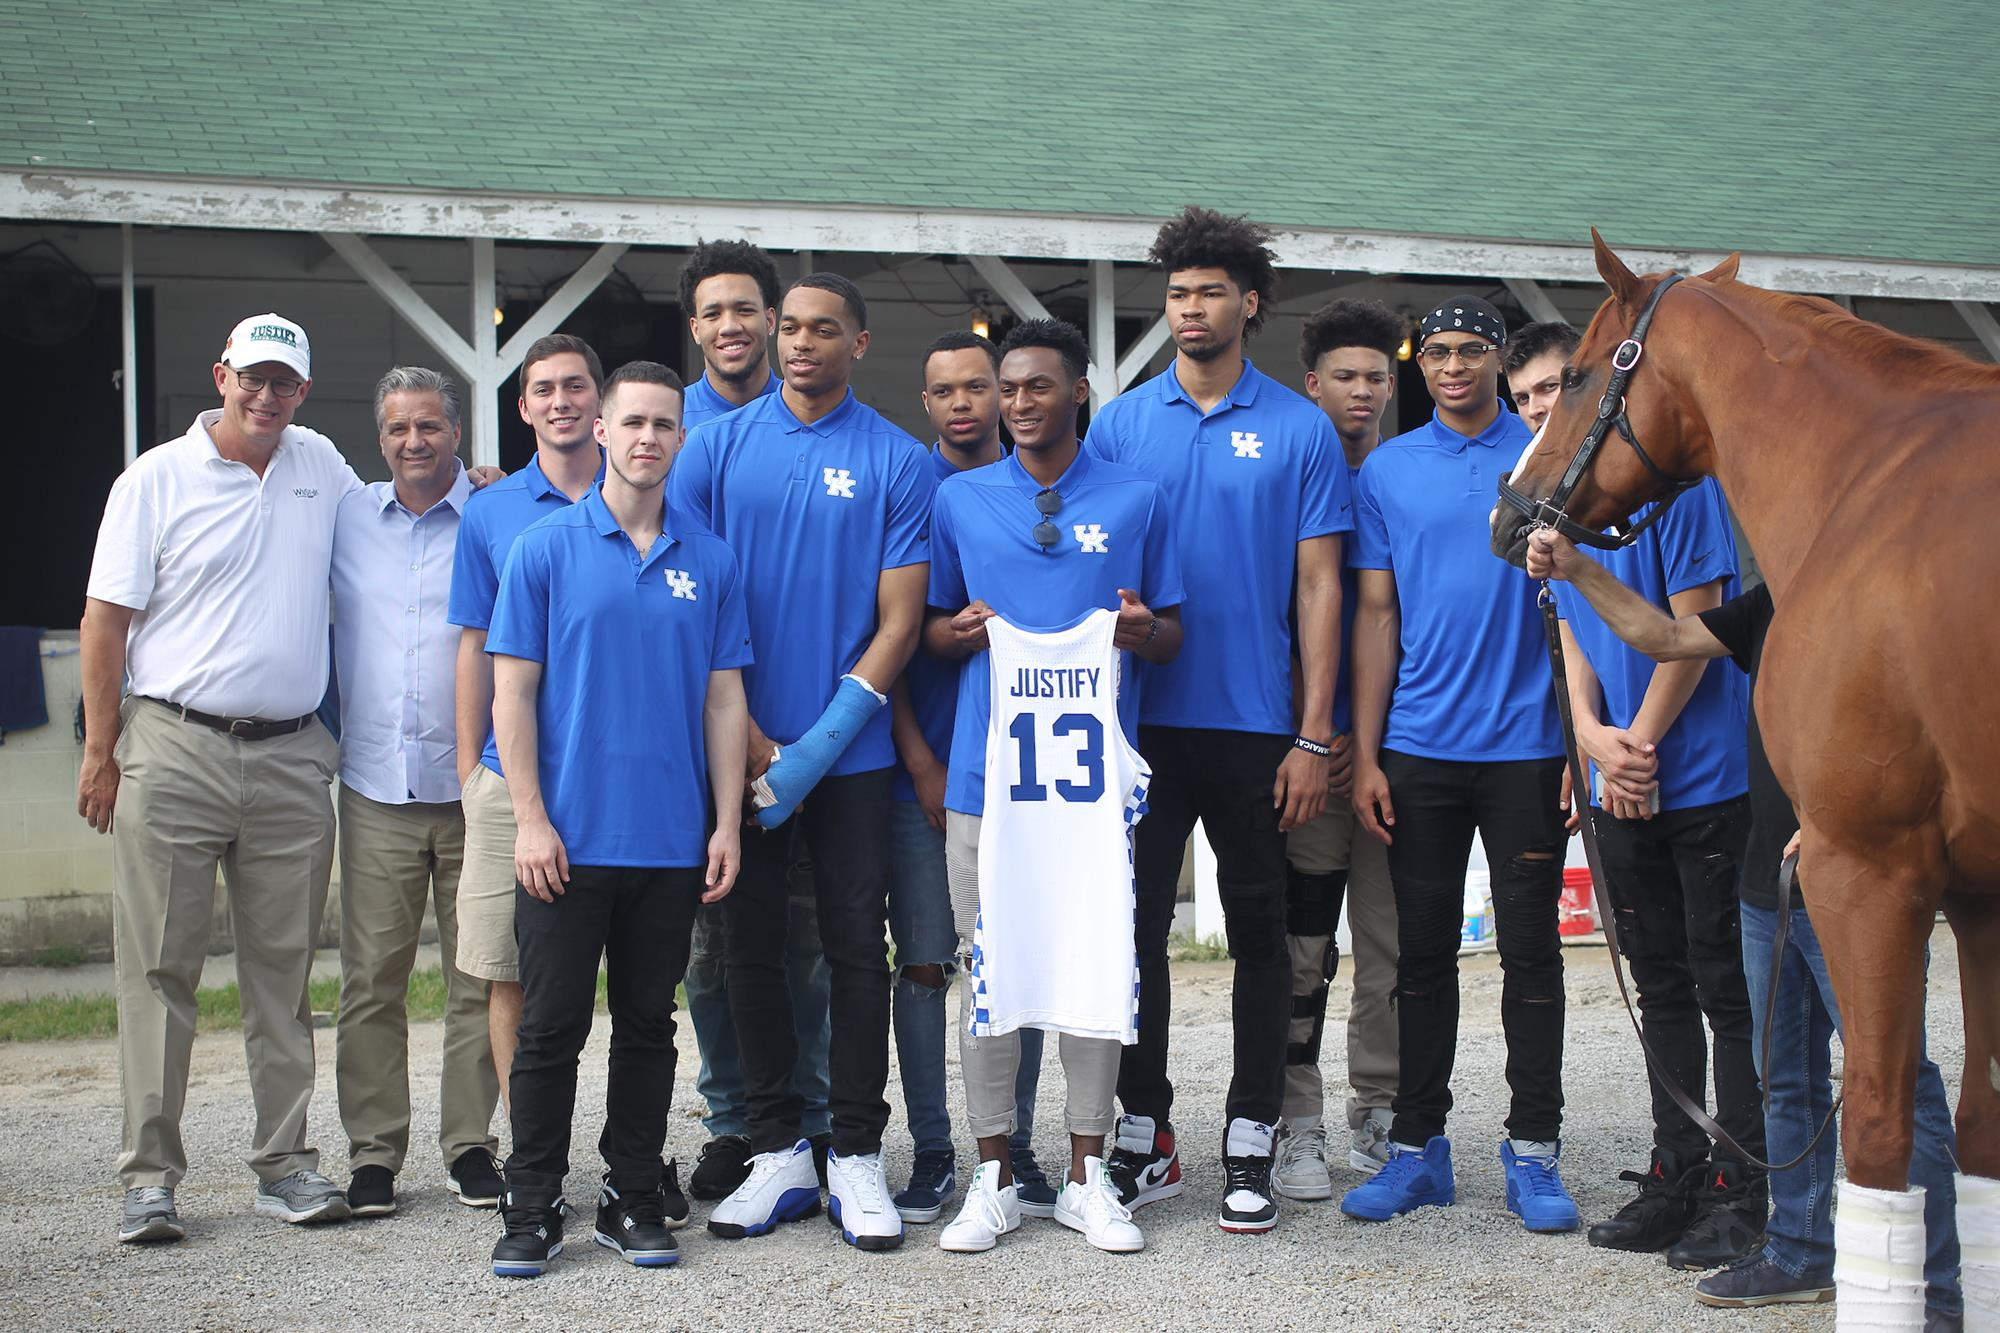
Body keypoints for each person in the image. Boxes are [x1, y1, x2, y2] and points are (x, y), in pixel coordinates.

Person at [1524, 529, 1964, 1324]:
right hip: (1769, 880)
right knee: (1784, 1076)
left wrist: (1837, 818)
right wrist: (1579, 567)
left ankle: (1937, 1287)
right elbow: (1662, 635)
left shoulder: (1882, 608)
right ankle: (1798, 1249)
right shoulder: (1768, 606)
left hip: (1853, 879)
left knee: (1893, 1072)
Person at [1084, 206, 1348, 1234]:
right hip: (1140, 728)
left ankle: (1252, 1132)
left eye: (1208, 292)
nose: (1189, 308)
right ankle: (1143, 1131)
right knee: (1133, 935)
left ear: (1248, 303)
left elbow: (1321, 590)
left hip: (1254, 728)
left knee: (1259, 940)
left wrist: (1314, 735)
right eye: (1177, 292)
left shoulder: (1297, 428)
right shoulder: (1118, 424)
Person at [671, 273, 932, 1251]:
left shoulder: (896, 461)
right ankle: (777, 1147)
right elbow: (690, 599)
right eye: (790, 328)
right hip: (734, 748)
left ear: (859, 343)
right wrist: (744, 743)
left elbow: (900, 622)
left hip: (849, 759)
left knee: (858, 952)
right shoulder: (715, 450)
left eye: (824, 330)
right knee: (747, 951)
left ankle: (855, 1151)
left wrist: (807, 752)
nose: (799, 344)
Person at [86, 313, 360, 1242]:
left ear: (304, 392)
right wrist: (99, 751)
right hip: (173, 746)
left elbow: (397, 516)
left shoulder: (321, 466)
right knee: (158, 968)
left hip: (290, 753)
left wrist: (482, 483)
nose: (267, 395)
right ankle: (150, 1177)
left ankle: (284, 1165)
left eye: (285, 381)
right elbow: (105, 622)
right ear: (221, 375)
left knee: (282, 974)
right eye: (253, 377)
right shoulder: (154, 479)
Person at [1505, 322, 1768, 1267]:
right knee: (1658, 986)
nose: (1541, 407)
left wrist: (1638, 745)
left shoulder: (1681, 494)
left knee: (1723, 987)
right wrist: (1590, 737)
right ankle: (1678, 1168)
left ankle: (1745, 1182)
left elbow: (1691, 630)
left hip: (1697, 775)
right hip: (1616, 773)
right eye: (1526, 397)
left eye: (1553, 389)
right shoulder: (1559, 510)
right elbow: (1570, 632)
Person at [485, 361, 751, 1278]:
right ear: (600, 429)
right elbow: (510, 695)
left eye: (663, 425)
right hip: (565, 839)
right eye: (631, 421)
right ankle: (532, 1198)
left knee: (648, 1024)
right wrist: (528, 819)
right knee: (552, 1026)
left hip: (670, 842)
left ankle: (633, 1192)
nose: (647, 437)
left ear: (682, 438)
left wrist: (724, 823)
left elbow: (725, 704)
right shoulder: (545, 550)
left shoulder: (710, 559)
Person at [927, 318, 1184, 1254]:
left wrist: (1140, 631)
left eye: (1040, 385)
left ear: (1081, 391)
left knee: (1093, 957)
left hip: (1088, 785)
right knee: (985, 963)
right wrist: (956, 634)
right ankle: (992, 1173)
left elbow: (1172, 630)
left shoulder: (1136, 499)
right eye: (1009, 387)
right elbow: (931, 629)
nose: (1020, 401)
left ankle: (1086, 1174)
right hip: (985, 778)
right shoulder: (959, 498)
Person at [1341, 296, 1579, 1233]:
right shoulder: (1390, 469)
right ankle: (1417, 1150)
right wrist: (1365, 753)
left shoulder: (1543, 455)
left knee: (1532, 956)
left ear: (1497, 359)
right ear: (1418, 360)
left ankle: (1535, 1151)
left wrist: (1578, 739)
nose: (1452, 366)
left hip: (1528, 746)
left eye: (1471, 350)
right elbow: (1375, 615)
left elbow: (1585, 607)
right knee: (1421, 959)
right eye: (1435, 351)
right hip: (1420, 748)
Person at [676, 238, 835, 1207]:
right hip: (706, 736)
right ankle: (732, 1114)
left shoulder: (824, 427)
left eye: (749, 309)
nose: (734, 326)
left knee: (806, 939)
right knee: (712, 949)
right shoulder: (669, 432)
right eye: (715, 311)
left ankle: (808, 1120)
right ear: (693, 327)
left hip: (812, 735)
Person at [887, 330, 1058, 1225]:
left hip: (1029, 773)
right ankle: (932, 1150)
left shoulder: (1042, 488)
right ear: (926, 402)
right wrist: (921, 757)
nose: (964, 403)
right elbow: (895, 641)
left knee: (1011, 963)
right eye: (944, 389)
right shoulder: (915, 488)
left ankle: (1014, 1143)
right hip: (931, 766)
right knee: (927, 964)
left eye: (978, 387)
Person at [329, 367, 499, 1219]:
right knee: (372, 980)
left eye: (429, 426)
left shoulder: (494, 513)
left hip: (474, 787)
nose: (413, 442)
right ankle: (373, 1154)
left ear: (457, 434)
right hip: (375, 788)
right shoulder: (346, 515)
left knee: (479, 976)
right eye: (397, 428)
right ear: (380, 434)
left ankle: (470, 1146)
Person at [446, 334, 603, 1207]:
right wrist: (474, 767)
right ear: (523, 407)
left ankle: (629, 1151)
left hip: (615, 774)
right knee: (508, 969)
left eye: (574, 386)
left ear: (599, 399)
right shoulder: (494, 511)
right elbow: (473, 643)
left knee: (630, 979)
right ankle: (536, 1161)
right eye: (542, 389)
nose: (559, 401)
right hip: (514, 777)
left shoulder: (644, 487)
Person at [1272, 300, 1403, 1200]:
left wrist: (1380, 742)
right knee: (1302, 943)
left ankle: (1383, 1109)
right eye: (1345, 377)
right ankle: (1298, 1117)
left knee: (1392, 949)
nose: (1363, 391)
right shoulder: (1288, 472)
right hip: (1313, 751)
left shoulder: (1403, 477)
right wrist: (1313, 736)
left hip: (1393, 757)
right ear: (1312, 384)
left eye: (1377, 377)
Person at [678, 238, 785, 430]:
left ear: (769, 321)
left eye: (744, 310)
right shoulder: (670, 418)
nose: (729, 327)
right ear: (695, 330)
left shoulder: (806, 413)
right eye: (712, 314)